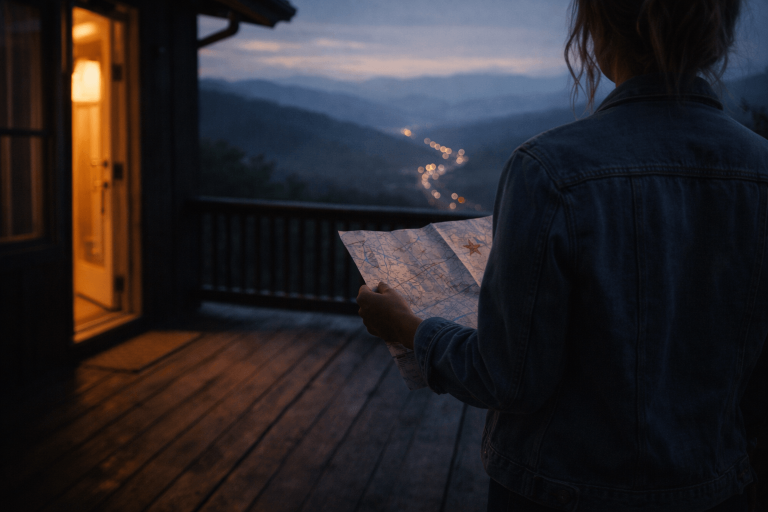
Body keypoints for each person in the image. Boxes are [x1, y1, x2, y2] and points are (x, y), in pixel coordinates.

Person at [357, 0, 768, 511]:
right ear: (721, 35)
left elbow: (508, 378)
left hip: (559, 490)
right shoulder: (760, 166)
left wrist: (408, 329)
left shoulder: (549, 169)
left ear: (596, 32)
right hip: (716, 489)